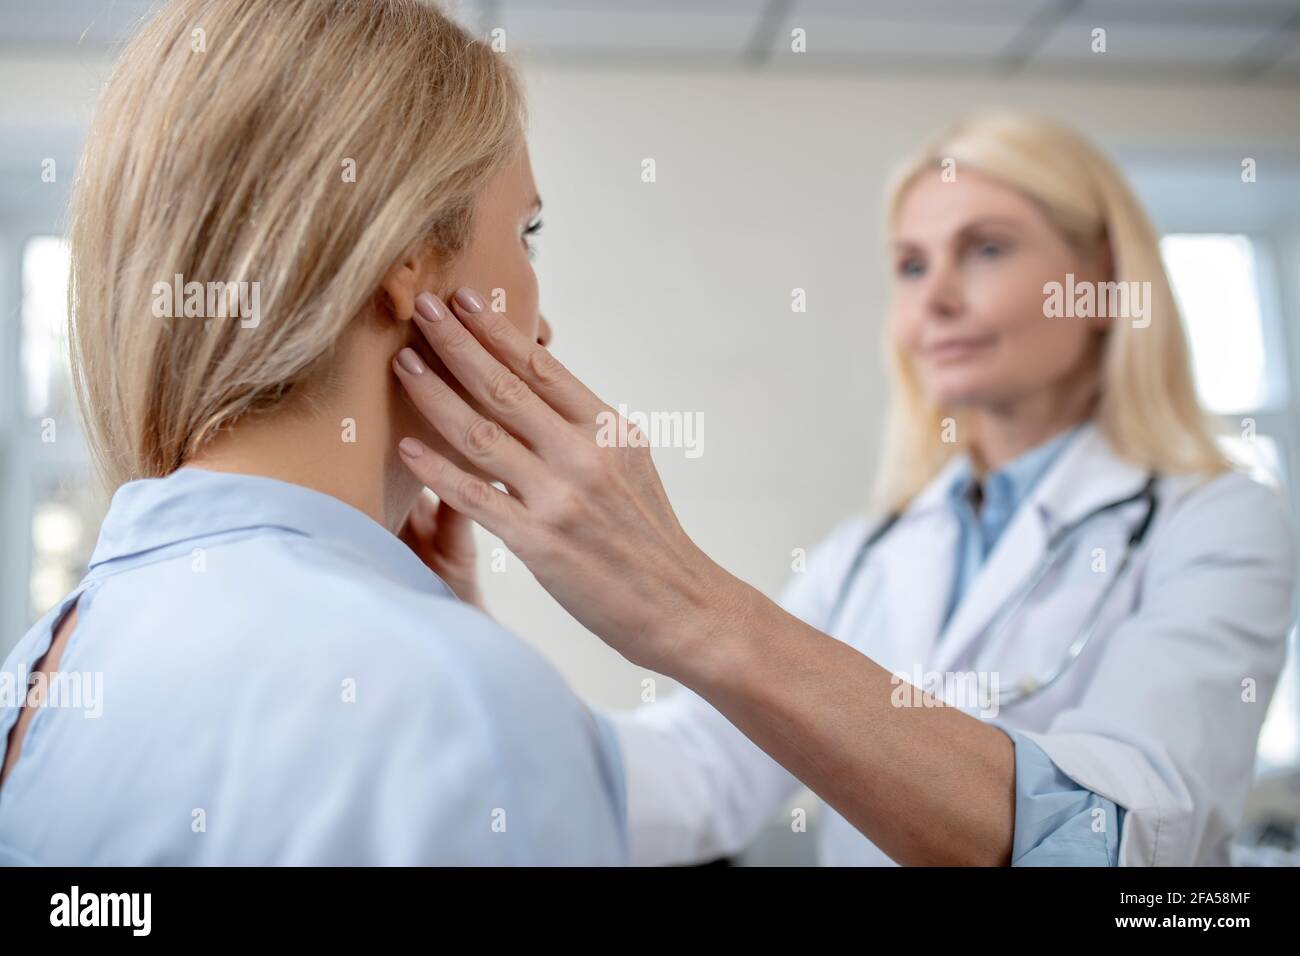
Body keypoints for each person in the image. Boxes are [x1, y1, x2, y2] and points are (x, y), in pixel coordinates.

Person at [389, 112, 1298, 866]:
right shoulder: (870, 554)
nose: (933, 297)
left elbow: (1121, 842)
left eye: (983, 250)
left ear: (1099, 279)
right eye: (910, 264)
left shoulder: (1217, 520)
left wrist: (686, 601)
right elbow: (695, 782)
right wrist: (477, 652)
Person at [0, 0, 623, 865]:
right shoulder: (472, 713)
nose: (542, 326)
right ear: (405, 258)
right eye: (528, 235)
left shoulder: (44, 669)